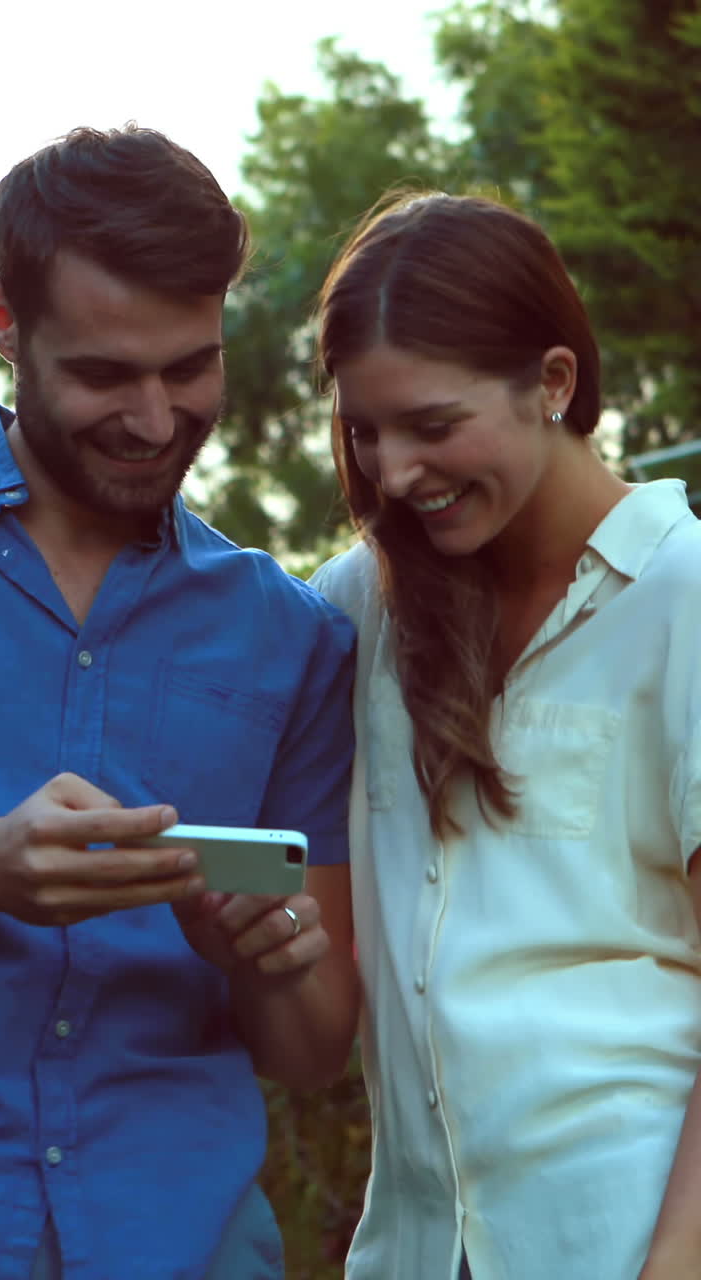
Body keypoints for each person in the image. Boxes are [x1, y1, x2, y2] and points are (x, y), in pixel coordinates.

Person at [0, 124, 359, 1280]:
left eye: (190, 366)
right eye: (103, 374)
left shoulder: (291, 635)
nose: (155, 421)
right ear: (4, 320)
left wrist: (269, 957)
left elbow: (310, 1050)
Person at [310, 191, 701, 1280]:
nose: (392, 472)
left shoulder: (685, 599)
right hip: (413, 1252)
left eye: (433, 425)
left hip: (627, 1242)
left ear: (556, 383)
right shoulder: (355, 613)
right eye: (365, 431)